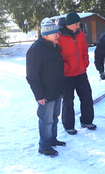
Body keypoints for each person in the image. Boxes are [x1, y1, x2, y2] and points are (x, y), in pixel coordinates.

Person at [26, 18, 66, 157]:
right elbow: (32, 76)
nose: (58, 35)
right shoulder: (35, 50)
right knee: (46, 119)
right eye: (55, 33)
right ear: (46, 34)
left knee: (54, 117)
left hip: (56, 90)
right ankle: (44, 146)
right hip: (45, 93)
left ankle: (52, 139)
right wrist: (39, 95)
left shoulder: (54, 47)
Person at [58, 12, 96, 134]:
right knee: (68, 101)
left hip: (81, 72)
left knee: (87, 97)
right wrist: (65, 68)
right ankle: (68, 125)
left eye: (79, 23)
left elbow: (85, 49)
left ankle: (86, 120)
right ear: (68, 25)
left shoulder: (80, 34)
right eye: (76, 24)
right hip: (67, 75)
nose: (78, 26)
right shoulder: (59, 36)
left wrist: (85, 61)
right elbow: (57, 56)